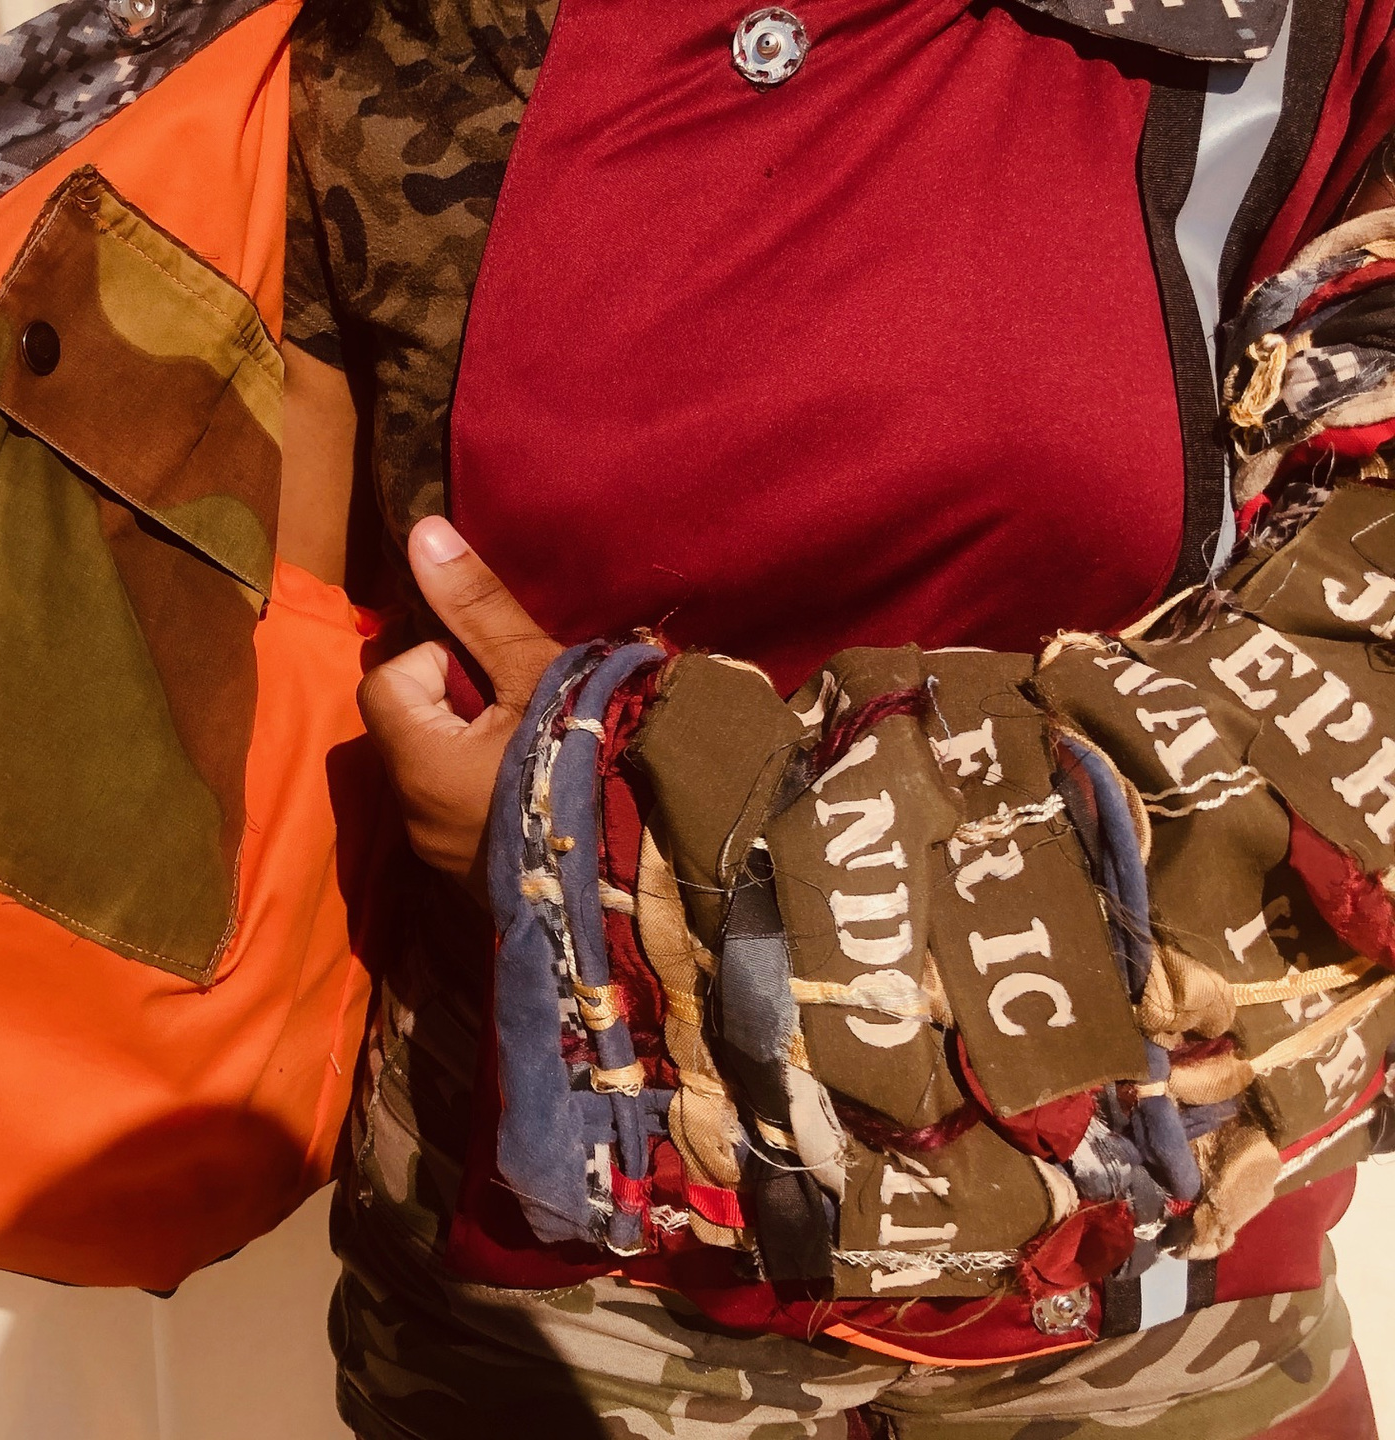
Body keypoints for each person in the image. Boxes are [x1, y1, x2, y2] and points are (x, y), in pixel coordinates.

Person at [275, 0, 1394, 1433]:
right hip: (559, 1258)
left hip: (1142, 1292)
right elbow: (281, 614)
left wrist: (584, 833)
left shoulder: (1314, 35)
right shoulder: (386, 40)